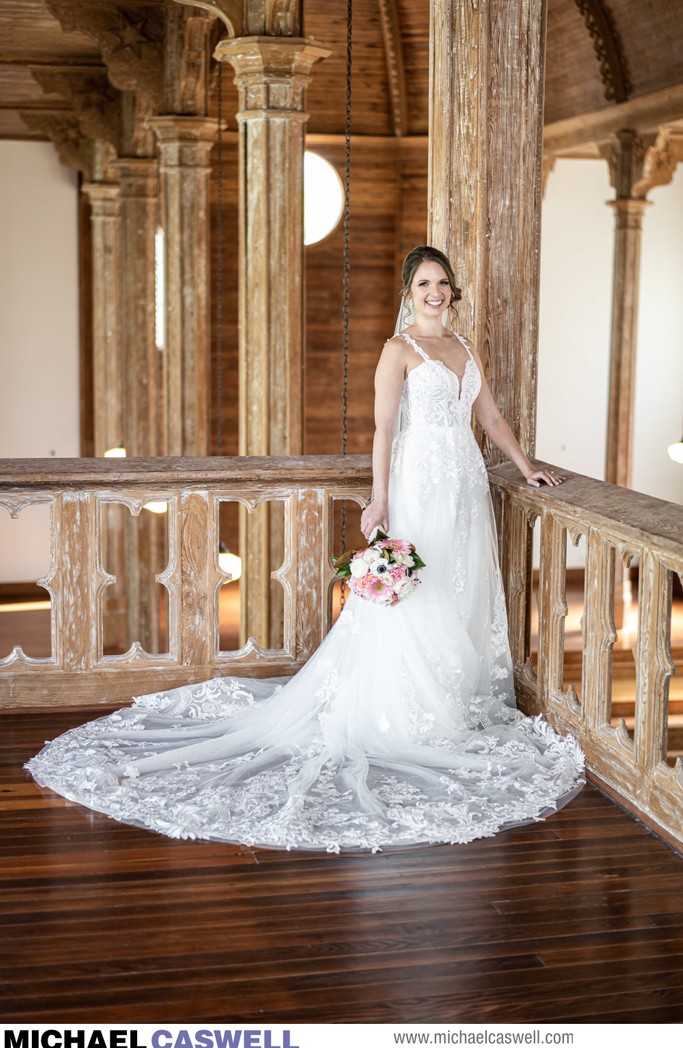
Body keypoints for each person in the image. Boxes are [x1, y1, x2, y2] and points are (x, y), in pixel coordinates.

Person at [26, 246, 584, 852]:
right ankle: (410, 706)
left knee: (460, 583)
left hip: (466, 482)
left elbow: (492, 419)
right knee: (416, 590)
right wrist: (380, 502)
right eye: (425, 282)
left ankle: (452, 696)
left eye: (443, 282)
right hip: (419, 483)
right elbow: (385, 430)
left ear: (453, 289)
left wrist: (527, 469)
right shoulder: (399, 350)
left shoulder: (465, 347)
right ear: (408, 290)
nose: (436, 292)